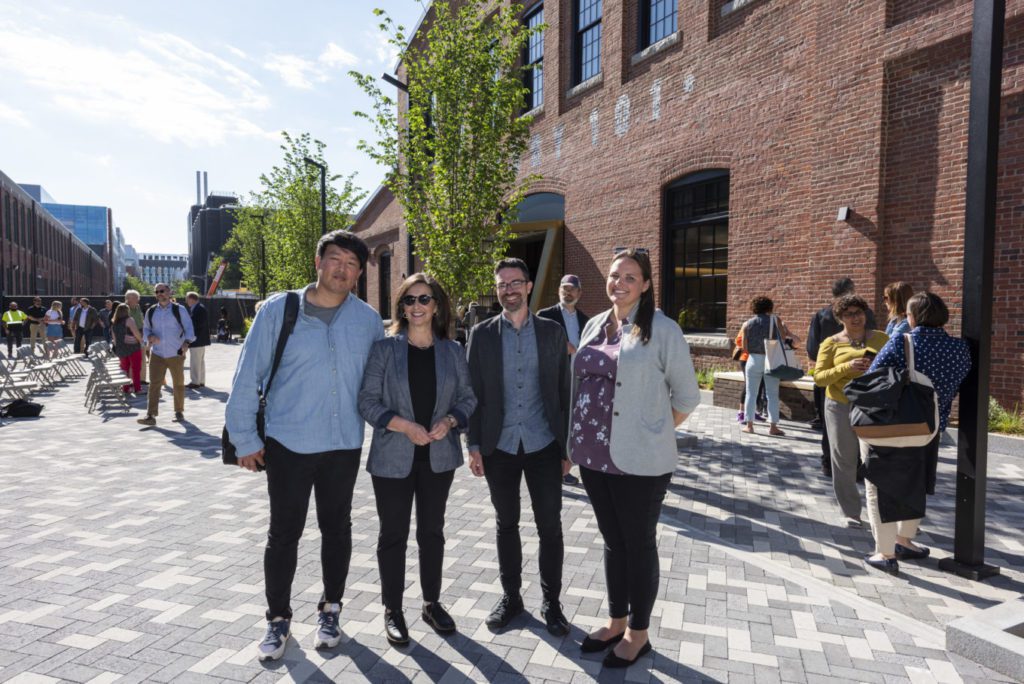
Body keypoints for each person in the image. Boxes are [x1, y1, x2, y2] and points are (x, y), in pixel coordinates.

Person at [225, 230, 384, 662]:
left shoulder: (367, 320)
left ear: (358, 273)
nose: (342, 269)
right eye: (335, 259)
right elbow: (246, 376)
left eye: (352, 264)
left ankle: (331, 610)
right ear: (318, 262)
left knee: (338, 530)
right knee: (284, 534)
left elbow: (381, 382)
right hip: (288, 444)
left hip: (343, 444)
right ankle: (277, 620)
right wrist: (245, 438)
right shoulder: (281, 309)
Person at [570, 248, 700, 668]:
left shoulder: (662, 330)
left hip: (639, 461)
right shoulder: (594, 324)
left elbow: (687, 396)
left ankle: (638, 633)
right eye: (613, 275)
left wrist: (653, 432)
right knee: (613, 541)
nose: (619, 283)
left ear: (645, 284)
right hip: (593, 455)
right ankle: (616, 619)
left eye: (630, 276)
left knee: (637, 543)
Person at [357, 273, 477, 646]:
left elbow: (469, 398)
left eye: (424, 299)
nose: (417, 307)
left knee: (432, 534)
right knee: (393, 535)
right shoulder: (384, 350)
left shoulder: (453, 351)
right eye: (409, 300)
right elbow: (366, 401)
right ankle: (393, 609)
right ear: (401, 308)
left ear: (436, 306)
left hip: (438, 458)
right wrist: (403, 425)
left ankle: (431, 603)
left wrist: (451, 420)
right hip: (393, 458)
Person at [465, 257, 572, 636]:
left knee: (550, 527)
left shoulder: (551, 332)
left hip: (544, 444)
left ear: (528, 286)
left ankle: (552, 602)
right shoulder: (481, 335)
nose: (508, 290)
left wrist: (567, 447)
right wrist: (473, 443)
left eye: (515, 282)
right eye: (502, 284)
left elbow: (564, 391)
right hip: (500, 446)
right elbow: (472, 393)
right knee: (505, 524)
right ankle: (512, 597)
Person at [862, 292, 971, 574]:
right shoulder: (960, 349)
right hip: (929, 428)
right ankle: (905, 540)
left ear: (912, 317)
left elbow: (875, 376)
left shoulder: (903, 340)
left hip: (892, 426)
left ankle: (884, 553)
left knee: (879, 486)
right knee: (917, 483)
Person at [813, 294, 888, 528]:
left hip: (875, 404)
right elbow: (819, 378)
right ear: (840, 318)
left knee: (878, 459)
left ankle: (883, 511)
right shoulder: (831, 343)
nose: (855, 317)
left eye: (859, 312)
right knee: (844, 459)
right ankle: (852, 512)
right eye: (849, 314)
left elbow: (896, 366)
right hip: (840, 405)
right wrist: (847, 367)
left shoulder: (881, 338)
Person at [807, 278, 877, 474]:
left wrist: (829, 361)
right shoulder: (866, 313)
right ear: (852, 290)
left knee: (832, 427)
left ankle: (830, 463)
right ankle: (858, 466)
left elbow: (812, 349)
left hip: (832, 384)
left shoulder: (821, 315)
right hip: (866, 384)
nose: (854, 318)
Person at [538, 274, 591, 485]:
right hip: (553, 383)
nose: (567, 292)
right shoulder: (545, 316)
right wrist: (562, 347)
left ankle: (564, 466)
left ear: (579, 293)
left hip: (578, 382)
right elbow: (537, 346)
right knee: (552, 425)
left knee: (571, 426)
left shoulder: (586, 321)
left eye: (572, 289)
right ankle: (549, 469)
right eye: (564, 288)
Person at [137, 284, 195, 425]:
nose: (159, 294)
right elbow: (146, 330)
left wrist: (187, 342)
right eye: (157, 292)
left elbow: (189, 328)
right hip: (157, 354)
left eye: (162, 291)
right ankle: (151, 415)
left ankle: (179, 412)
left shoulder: (178, 310)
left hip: (176, 353)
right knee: (154, 385)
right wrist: (149, 337)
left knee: (178, 384)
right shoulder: (151, 311)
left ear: (169, 292)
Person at [739, 297, 795, 436]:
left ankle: (749, 426)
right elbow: (782, 339)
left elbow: (744, 348)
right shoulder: (775, 320)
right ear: (770, 307)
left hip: (753, 359)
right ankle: (773, 427)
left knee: (751, 393)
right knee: (772, 394)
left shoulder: (747, 324)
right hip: (771, 359)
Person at [111, 303, 144, 393]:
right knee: (136, 369)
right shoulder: (129, 320)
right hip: (133, 348)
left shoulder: (114, 323)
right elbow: (136, 332)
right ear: (127, 311)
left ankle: (126, 388)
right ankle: (137, 388)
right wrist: (141, 340)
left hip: (121, 349)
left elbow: (114, 339)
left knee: (124, 369)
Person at [734, 329, 766, 423]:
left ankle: (753, 412)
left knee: (759, 385)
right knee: (748, 385)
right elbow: (738, 341)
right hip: (746, 359)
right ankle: (741, 413)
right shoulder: (748, 325)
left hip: (758, 360)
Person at [185, 292, 211, 389]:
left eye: (187, 299)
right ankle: (200, 381)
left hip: (197, 339)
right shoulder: (199, 308)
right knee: (200, 361)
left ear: (192, 299)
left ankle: (195, 382)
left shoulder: (198, 309)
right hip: (200, 339)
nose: (186, 301)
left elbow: (197, 325)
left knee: (195, 361)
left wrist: (191, 337)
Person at [125, 290, 148, 385]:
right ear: (127, 299)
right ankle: (130, 380)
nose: (136, 300)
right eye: (133, 298)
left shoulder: (138, 307)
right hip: (130, 336)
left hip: (141, 334)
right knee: (132, 360)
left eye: (136, 298)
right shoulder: (124, 308)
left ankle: (142, 379)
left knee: (142, 358)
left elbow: (142, 320)